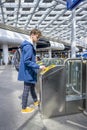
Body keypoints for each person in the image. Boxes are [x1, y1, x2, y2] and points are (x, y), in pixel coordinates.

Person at [18, 29, 46, 113]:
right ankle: (24, 108)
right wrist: (38, 66)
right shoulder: (28, 46)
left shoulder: (27, 45)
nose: (37, 39)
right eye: (37, 37)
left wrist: (35, 63)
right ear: (32, 35)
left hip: (28, 71)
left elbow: (28, 60)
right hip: (28, 72)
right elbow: (27, 61)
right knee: (26, 89)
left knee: (32, 87)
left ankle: (35, 101)